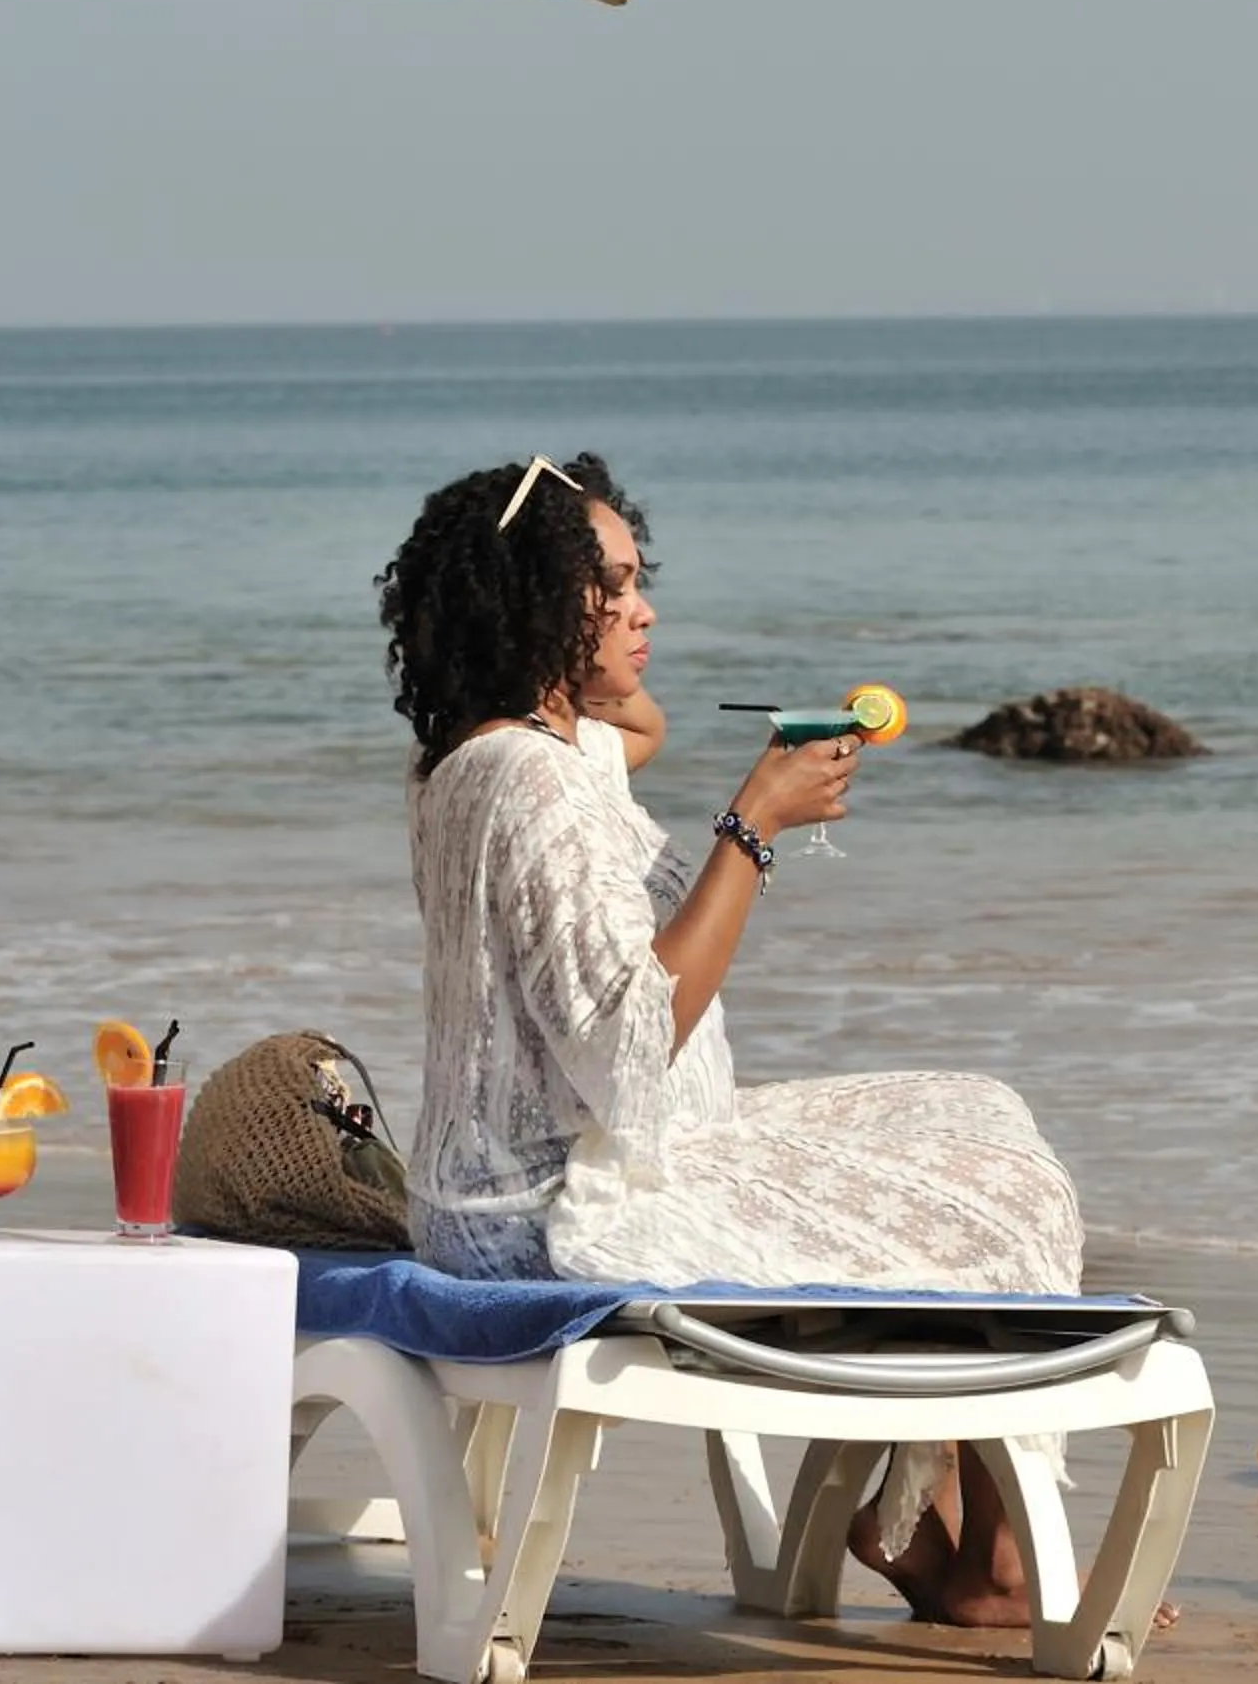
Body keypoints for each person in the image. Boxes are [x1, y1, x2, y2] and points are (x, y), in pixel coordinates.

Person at [376, 451, 1093, 1632]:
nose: (646, 608)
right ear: (540, 603)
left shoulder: (483, 755)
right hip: (555, 1208)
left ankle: (943, 1533)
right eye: (613, 584)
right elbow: (626, 1045)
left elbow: (635, 722)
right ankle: (986, 1562)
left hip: (505, 1181)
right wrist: (751, 827)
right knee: (996, 1185)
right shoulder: (537, 790)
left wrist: (579, 662)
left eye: (639, 575)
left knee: (972, 1110)